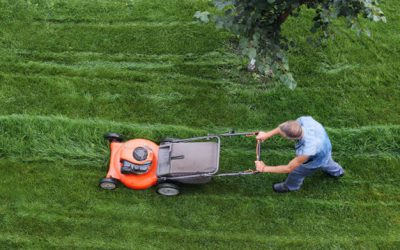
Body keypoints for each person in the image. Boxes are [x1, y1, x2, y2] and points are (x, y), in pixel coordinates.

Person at [255, 116, 344, 193]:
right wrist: (267, 135)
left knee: (296, 172)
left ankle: (291, 186)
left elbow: (288, 168)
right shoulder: (305, 121)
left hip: (316, 158)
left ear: (290, 138)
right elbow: (284, 127)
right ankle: (338, 172)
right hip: (325, 148)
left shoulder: (307, 150)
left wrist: (264, 168)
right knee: (327, 161)